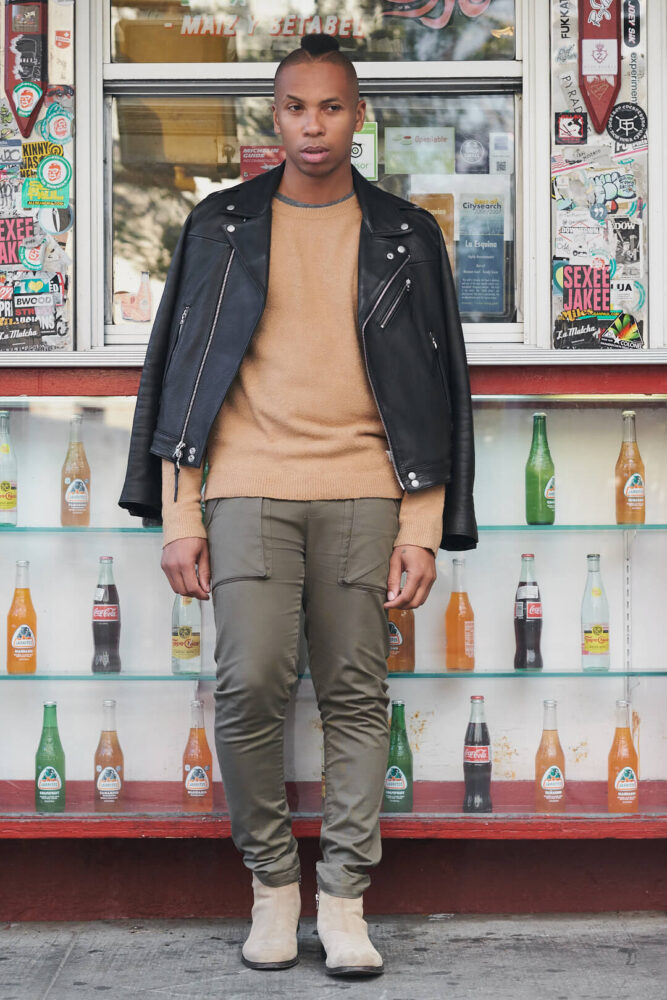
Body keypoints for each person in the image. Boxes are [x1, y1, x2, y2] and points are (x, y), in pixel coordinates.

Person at [120, 34, 477, 977]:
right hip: (243, 485)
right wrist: (181, 513)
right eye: (293, 108)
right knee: (247, 688)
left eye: (330, 107)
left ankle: (346, 900)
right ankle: (273, 886)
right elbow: (181, 377)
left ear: (358, 116)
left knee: (358, 698)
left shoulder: (406, 231)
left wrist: (420, 525)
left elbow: (435, 389)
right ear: (271, 117)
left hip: (366, 489)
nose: (311, 125)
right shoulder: (221, 223)